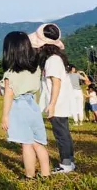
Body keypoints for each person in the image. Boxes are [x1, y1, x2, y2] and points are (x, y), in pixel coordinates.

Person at [1, 31, 50, 179]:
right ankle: (46, 174)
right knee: (38, 143)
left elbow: (9, 95)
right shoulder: (36, 69)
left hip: (19, 106)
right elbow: (36, 90)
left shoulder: (10, 72)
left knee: (26, 144)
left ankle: (30, 176)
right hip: (33, 105)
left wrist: (5, 116)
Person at [29, 23, 75, 174]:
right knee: (63, 133)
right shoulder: (55, 59)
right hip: (58, 103)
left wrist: (52, 104)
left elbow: (56, 83)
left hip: (58, 104)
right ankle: (68, 161)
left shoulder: (52, 60)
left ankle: (66, 164)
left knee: (61, 135)